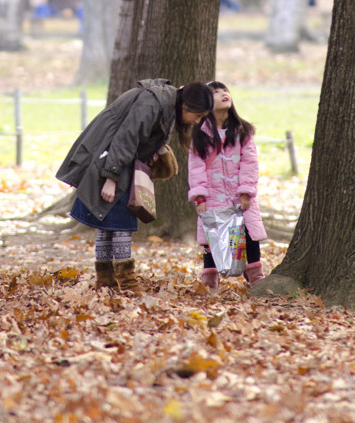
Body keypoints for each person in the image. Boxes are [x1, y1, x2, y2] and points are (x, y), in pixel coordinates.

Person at [56, 79, 213, 294]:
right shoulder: (152, 102)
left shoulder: (165, 102)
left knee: (107, 222)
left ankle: (106, 282)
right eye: (197, 116)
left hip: (117, 161)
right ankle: (126, 283)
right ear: (186, 106)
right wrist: (111, 177)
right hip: (112, 162)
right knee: (120, 223)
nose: (196, 121)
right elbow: (126, 138)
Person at [188, 80, 266, 292]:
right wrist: (200, 196)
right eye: (216, 92)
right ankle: (210, 281)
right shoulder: (199, 135)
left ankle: (256, 278)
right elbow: (196, 167)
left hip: (239, 195)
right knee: (210, 238)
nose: (223, 94)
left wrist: (246, 191)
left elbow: (250, 162)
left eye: (225, 90)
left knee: (248, 234)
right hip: (212, 196)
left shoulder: (243, 130)